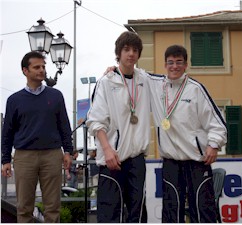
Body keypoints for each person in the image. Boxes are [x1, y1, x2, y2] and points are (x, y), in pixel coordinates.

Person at [146, 45, 227, 223]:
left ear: (185, 65)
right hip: (171, 162)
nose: (174, 66)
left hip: (196, 161)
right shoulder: (156, 84)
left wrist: (213, 144)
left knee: (203, 210)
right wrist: (114, 70)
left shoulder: (196, 89)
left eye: (179, 62)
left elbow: (218, 123)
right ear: (165, 64)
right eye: (170, 62)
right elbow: (133, 73)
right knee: (171, 212)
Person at [1, 51, 73, 223]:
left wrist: (68, 151)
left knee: (52, 207)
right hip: (24, 156)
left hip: (52, 155)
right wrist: (5, 160)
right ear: (25, 70)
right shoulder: (14, 100)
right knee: (24, 208)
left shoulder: (55, 96)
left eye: (43, 66)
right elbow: (7, 132)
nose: (41, 70)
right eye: (37, 67)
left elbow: (64, 125)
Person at [86, 31, 150, 223]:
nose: (131, 53)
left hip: (137, 159)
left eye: (135, 50)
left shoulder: (145, 80)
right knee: (110, 213)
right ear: (118, 53)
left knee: (137, 213)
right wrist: (107, 150)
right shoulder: (106, 82)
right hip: (112, 158)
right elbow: (95, 120)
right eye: (126, 49)